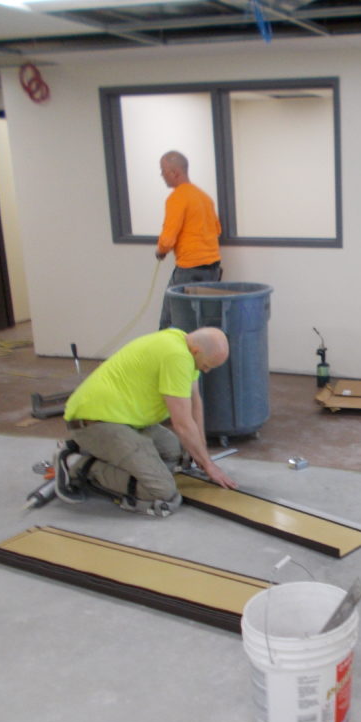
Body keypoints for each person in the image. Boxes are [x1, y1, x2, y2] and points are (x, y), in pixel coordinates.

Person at [60, 327, 238, 517]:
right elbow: (183, 424)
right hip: (95, 422)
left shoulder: (183, 343)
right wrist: (209, 466)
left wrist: (202, 451)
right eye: (206, 366)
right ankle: (83, 468)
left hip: (124, 418)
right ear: (196, 351)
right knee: (161, 491)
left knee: (175, 453)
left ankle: (113, 457)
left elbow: (195, 402)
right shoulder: (177, 356)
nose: (206, 371)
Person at [156, 150, 223, 329]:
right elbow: (217, 230)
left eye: (163, 171)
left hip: (189, 271)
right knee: (205, 324)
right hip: (213, 270)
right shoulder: (205, 198)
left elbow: (167, 240)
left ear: (175, 172)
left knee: (172, 322)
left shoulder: (177, 198)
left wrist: (160, 251)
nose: (162, 175)